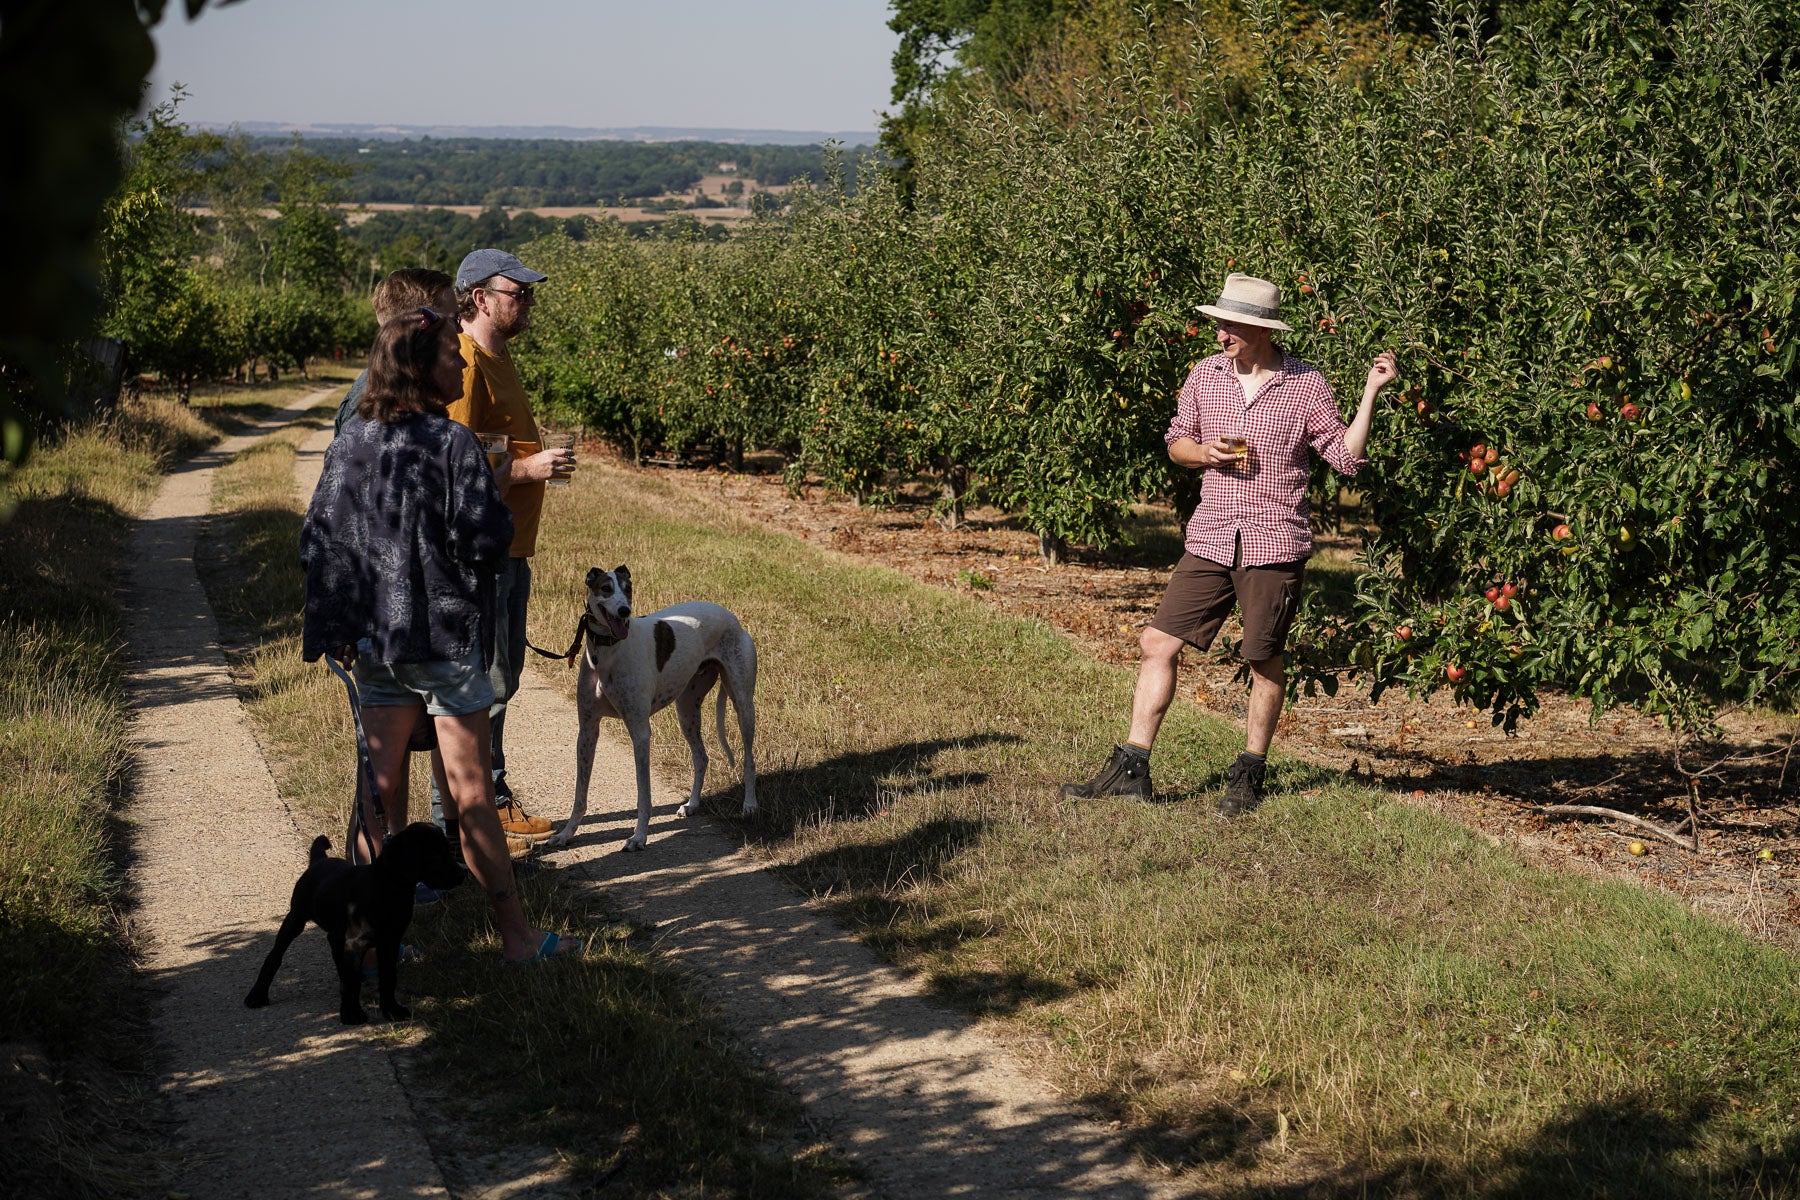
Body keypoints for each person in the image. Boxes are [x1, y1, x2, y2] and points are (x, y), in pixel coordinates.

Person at [1061, 272, 1399, 815]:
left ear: (1261, 329)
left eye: (1231, 325)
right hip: (1212, 535)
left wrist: (1370, 394)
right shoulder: (1205, 375)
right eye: (1219, 323)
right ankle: (1132, 767)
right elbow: (1176, 443)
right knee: (1157, 643)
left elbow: (1347, 458)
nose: (1220, 333)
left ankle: (1249, 773)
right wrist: (1203, 456)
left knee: (1263, 657)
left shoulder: (1306, 385)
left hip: (1273, 541)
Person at [300, 306, 578, 963]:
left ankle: (366, 948)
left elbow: (320, 541)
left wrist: (336, 624)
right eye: (451, 358)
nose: (461, 364)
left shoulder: (352, 443)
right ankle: (516, 940)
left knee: (378, 795)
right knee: (474, 795)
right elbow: (487, 537)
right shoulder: (453, 446)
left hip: (377, 646)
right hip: (444, 643)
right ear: (422, 370)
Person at [432, 248, 574, 845]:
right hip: (484, 548)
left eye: (530, 292)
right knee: (485, 680)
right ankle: (478, 808)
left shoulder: (500, 355)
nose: (529, 302)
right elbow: (454, 476)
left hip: (511, 544)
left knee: (504, 674)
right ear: (480, 297)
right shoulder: (465, 365)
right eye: (518, 293)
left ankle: (485, 800)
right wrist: (528, 469)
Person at [333, 268, 457, 436]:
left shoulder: (408, 386)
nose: (460, 328)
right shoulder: (374, 401)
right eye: (452, 320)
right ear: (418, 323)